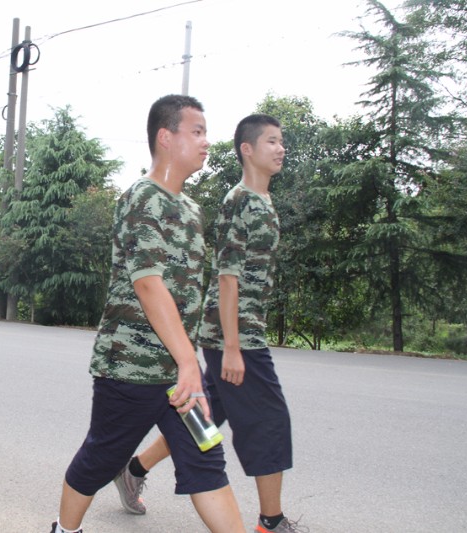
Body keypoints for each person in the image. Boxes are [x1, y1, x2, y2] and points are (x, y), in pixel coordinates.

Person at [49, 95, 244, 533]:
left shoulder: (192, 209)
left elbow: (190, 291)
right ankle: (64, 530)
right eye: (196, 131)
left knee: (206, 458)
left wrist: (195, 357)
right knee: (103, 456)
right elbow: (147, 283)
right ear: (165, 137)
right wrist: (189, 362)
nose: (206, 142)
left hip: (177, 376)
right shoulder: (143, 198)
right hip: (130, 366)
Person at [114, 114, 306, 533]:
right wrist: (233, 348)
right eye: (272, 141)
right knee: (269, 422)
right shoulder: (241, 201)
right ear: (247, 150)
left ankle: (133, 468)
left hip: (233, 332)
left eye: (282, 142)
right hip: (235, 334)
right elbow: (227, 277)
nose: (281, 149)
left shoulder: (263, 200)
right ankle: (270, 522)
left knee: (201, 418)